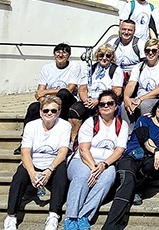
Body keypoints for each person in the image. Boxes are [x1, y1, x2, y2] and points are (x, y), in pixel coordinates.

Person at [101, 98, 159, 229]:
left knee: (151, 166)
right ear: (155, 108)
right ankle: (111, 226)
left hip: (149, 160)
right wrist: (157, 150)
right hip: (131, 156)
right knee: (127, 181)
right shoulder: (144, 120)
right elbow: (144, 139)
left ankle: (134, 190)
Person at [4, 96, 71, 230]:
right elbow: (25, 153)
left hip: (53, 163)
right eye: (46, 111)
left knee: (61, 171)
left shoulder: (65, 125)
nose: (49, 114)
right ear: (40, 112)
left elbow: (63, 152)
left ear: (59, 112)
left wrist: (49, 170)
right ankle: (11, 216)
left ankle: (53, 215)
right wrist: (32, 173)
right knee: (19, 177)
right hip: (33, 162)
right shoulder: (31, 126)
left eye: (53, 111)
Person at [65, 90, 128, 230]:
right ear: (98, 107)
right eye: (102, 104)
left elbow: (119, 150)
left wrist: (104, 165)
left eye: (110, 103)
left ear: (116, 105)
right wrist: (94, 168)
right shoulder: (90, 122)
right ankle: (71, 217)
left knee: (108, 177)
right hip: (83, 160)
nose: (106, 106)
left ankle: (84, 216)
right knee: (82, 176)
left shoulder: (121, 125)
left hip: (106, 162)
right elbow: (83, 149)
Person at [20, 43, 83, 142]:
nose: (60, 55)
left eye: (64, 53)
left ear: (69, 55)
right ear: (54, 55)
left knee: (63, 93)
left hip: (68, 101)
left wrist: (47, 92)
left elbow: (69, 89)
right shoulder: (46, 68)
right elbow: (40, 92)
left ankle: (57, 122)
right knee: (33, 107)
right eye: (58, 52)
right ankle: (25, 140)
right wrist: (44, 103)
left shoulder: (74, 67)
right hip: (50, 102)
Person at [71, 45, 124, 142]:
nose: (104, 58)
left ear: (112, 57)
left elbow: (117, 91)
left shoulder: (116, 70)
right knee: (75, 110)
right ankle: (74, 141)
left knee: (107, 108)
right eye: (101, 55)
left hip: (106, 101)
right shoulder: (90, 69)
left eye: (108, 55)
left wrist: (98, 101)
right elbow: (82, 89)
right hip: (90, 100)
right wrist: (87, 101)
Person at [122, 39, 159, 128]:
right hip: (141, 98)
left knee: (145, 104)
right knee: (123, 105)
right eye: (147, 50)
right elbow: (131, 84)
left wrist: (140, 99)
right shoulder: (139, 66)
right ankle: (129, 133)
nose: (150, 53)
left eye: (154, 50)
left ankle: (145, 132)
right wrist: (126, 98)